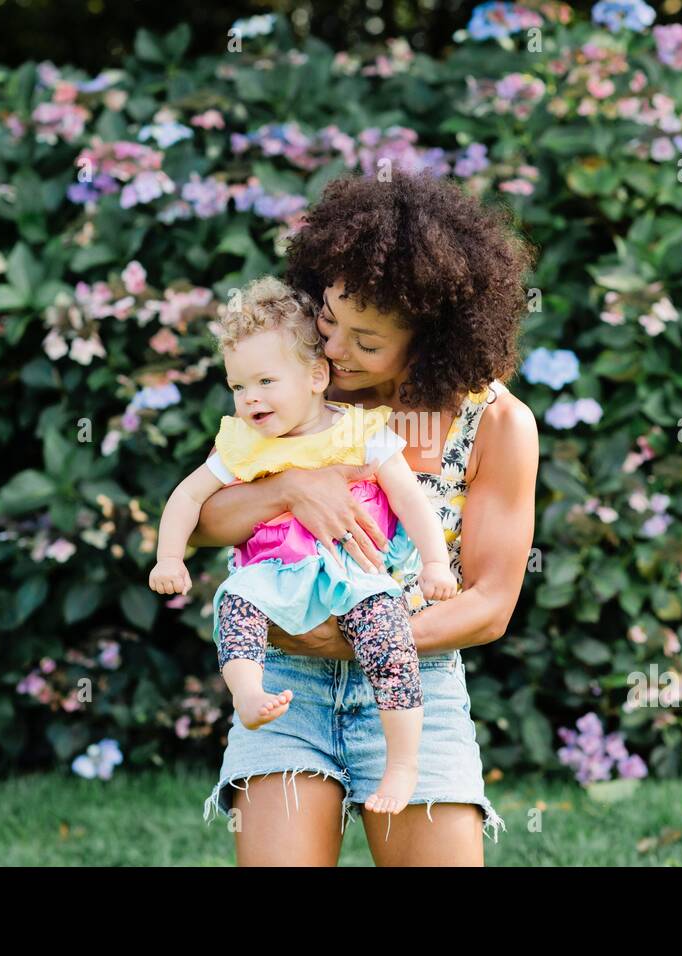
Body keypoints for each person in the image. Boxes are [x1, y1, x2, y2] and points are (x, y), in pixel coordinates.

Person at [197, 171, 539, 866]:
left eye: (368, 341)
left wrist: (365, 644)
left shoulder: (495, 422)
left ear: (431, 341)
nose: (335, 351)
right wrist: (290, 487)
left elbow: (491, 606)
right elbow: (203, 520)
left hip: (415, 681)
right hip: (286, 684)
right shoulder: (290, 390)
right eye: (328, 319)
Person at [150, 276, 457, 814]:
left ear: (317, 377)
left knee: (391, 647)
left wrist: (434, 563)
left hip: (357, 575)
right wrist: (169, 556)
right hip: (276, 576)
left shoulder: (360, 431)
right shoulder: (244, 444)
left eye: (265, 381)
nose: (250, 399)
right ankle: (248, 694)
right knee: (236, 605)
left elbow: (410, 500)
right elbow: (187, 497)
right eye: (239, 386)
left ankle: (404, 763)